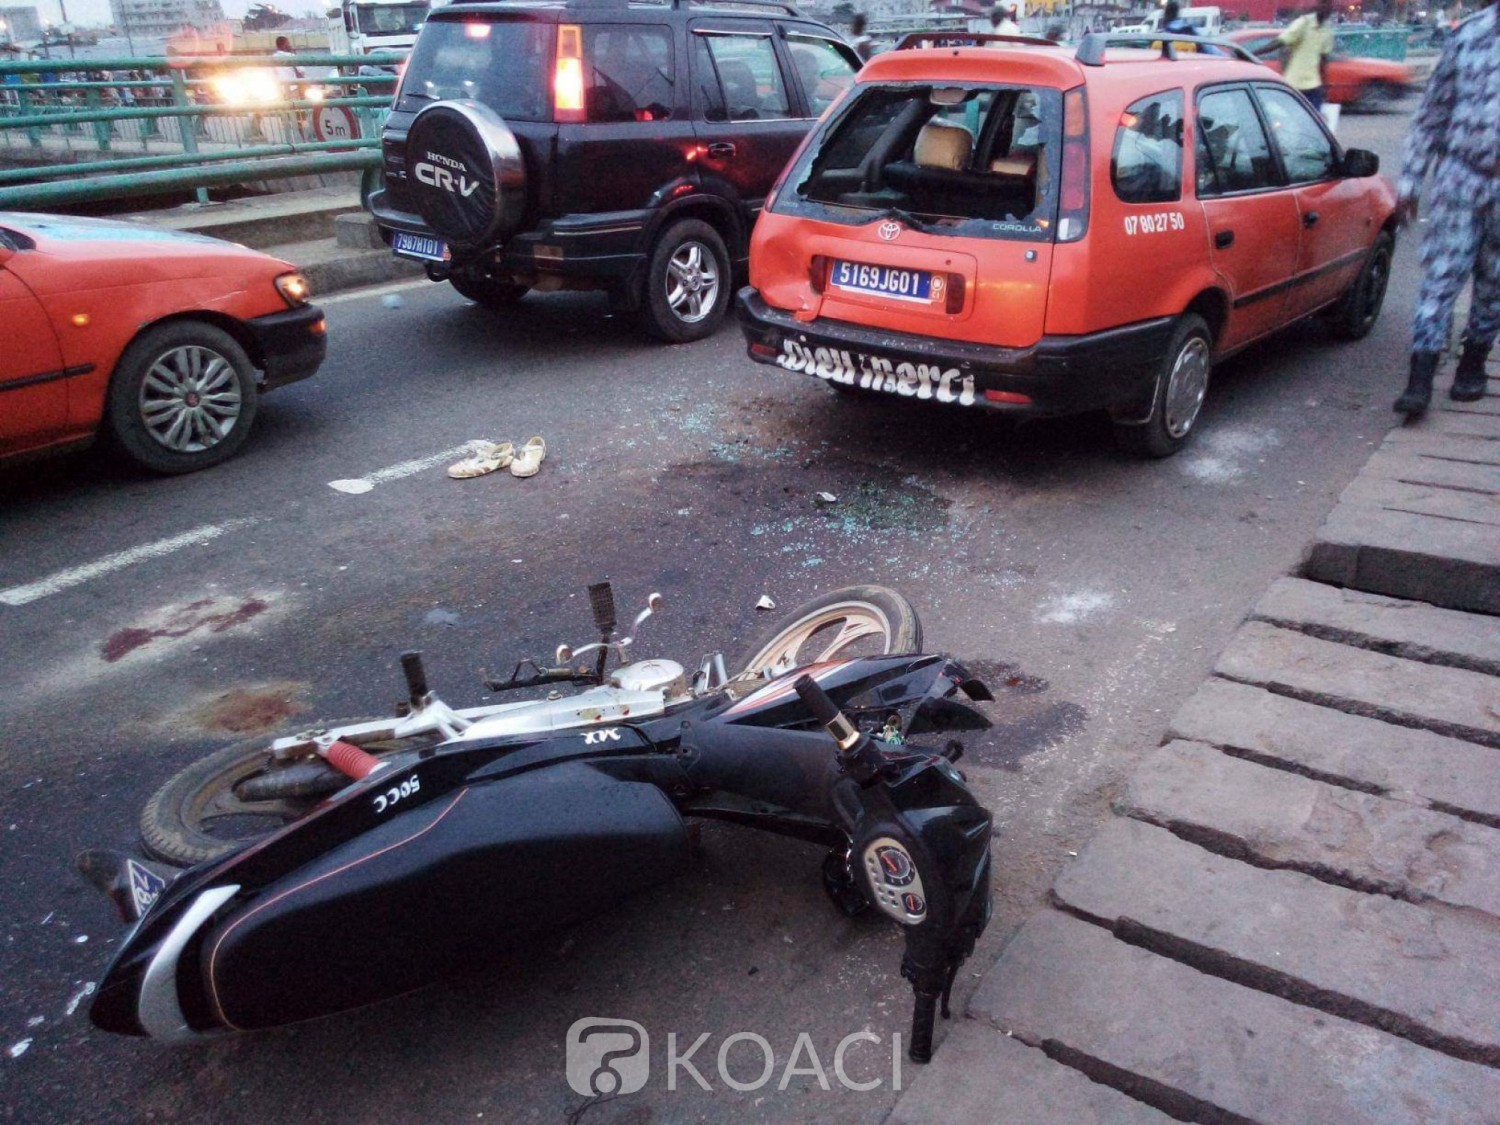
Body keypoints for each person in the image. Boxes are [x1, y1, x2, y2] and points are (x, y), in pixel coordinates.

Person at [1391, 0, 1500, 417]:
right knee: (1440, 277)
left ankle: (1472, 365)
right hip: (1460, 178)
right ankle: (1419, 379)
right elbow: (1431, 116)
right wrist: (1411, 181)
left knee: (1493, 284)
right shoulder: (1468, 36)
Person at [1271, 0, 1335, 108]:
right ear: (1318, 5)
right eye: (1324, 4)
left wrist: (1324, 85)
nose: (1327, 8)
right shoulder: (1303, 23)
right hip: (1295, 85)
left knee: (1313, 121)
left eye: (1330, 5)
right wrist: (1252, 53)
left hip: (1314, 86)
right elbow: (1280, 42)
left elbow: (1323, 60)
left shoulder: (1327, 29)